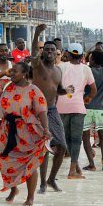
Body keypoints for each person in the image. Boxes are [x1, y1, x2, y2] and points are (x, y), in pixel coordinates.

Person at [0, 62, 50, 206]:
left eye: (15, 71)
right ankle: (13, 189)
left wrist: (46, 129)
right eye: (11, 71)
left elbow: (42, 111)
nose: (12, 73)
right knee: (5, 161)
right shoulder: (8, 87)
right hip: (7, 129)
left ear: (25, 73)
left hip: (27, 132)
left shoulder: (34, 90)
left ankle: (30, 197)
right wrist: (3, 74)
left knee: (30, 164)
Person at [31, 24, 75, 191]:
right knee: (44, 148)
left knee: (62, 146)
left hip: (52, 110)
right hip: (37, 111)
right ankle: (42, 183)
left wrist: (68, 90)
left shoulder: (58, 70)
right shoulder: (37, 65)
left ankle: (51, 179)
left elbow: (59, 90)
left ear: (57, 53)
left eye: (52, 50)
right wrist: (36, 33)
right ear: (43, 52)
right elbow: (33, 53)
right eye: (47, 49)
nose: (49, 52)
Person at [56, 42, 97, 178]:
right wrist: (88, 99)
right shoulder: (86, 69)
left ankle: (76, 167)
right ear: (80, 55)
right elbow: (93, 89)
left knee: (67, 138)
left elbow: (54, 86)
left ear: (67, 53)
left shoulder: (60, 67)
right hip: (78, 107)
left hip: (61, 106)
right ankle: (72, 170)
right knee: (76, 139)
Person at [82, 50, 103, 171]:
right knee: (102, 135)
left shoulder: (87, 71)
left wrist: (90, 53)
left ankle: (91, 164)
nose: (89, 60)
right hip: (100, 108)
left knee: (85, 137)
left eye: (91, 58)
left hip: (86, 107)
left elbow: (83, 63)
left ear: (93, 61)